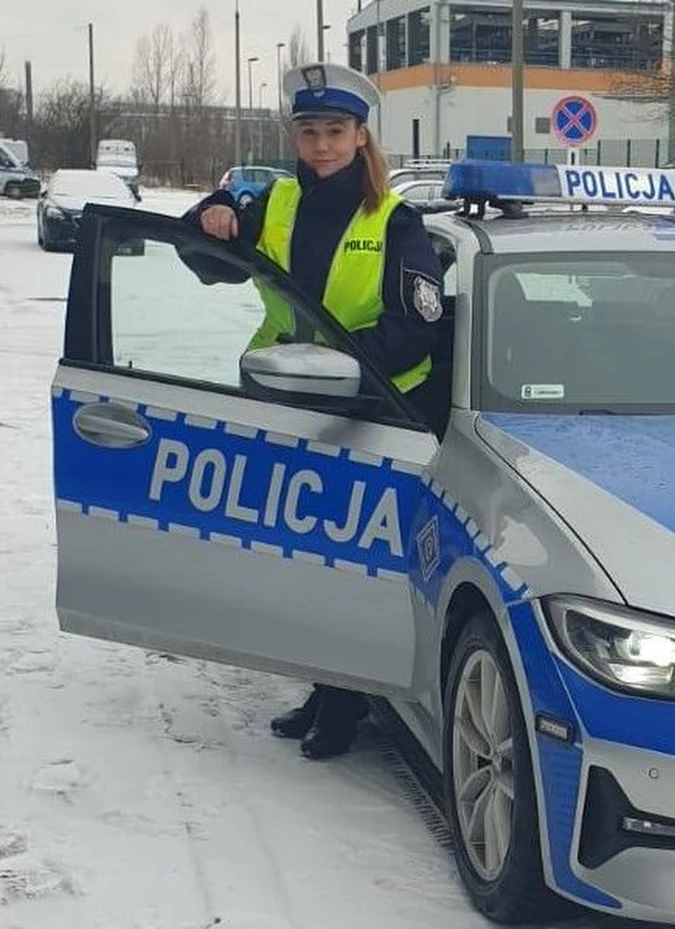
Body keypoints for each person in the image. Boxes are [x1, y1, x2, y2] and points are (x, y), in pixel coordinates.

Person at [182, 61, 446, 760]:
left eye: (335, 131)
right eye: (309, 132)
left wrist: (343, 366)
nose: (322, 144)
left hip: (373, 408)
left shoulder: (394, 217)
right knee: (302, 559)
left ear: (361, 136)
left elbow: (416, 325)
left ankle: (347, 701)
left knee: (351, 564)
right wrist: (210, 210)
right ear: (295, 138)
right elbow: (206, 255)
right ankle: (323, 689)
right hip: (286, 398)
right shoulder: (274, 201)